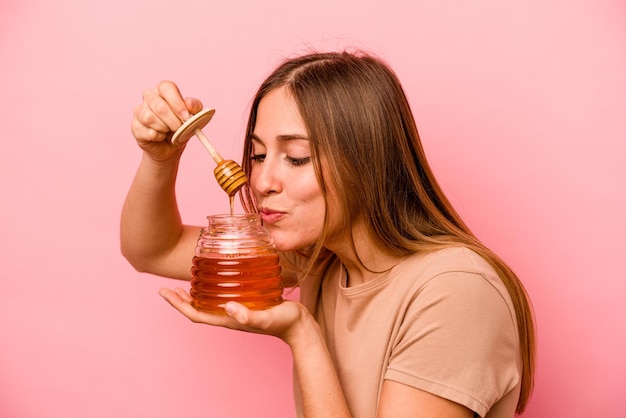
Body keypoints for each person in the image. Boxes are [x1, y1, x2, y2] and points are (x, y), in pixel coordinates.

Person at [121, 50, 535, 418]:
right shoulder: (322, 255)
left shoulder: (455, 290)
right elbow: (153, 250)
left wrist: (301, 335)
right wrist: (160, 158)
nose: (261, 180)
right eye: (259, 154)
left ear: (365, 161)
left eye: (297, 158)